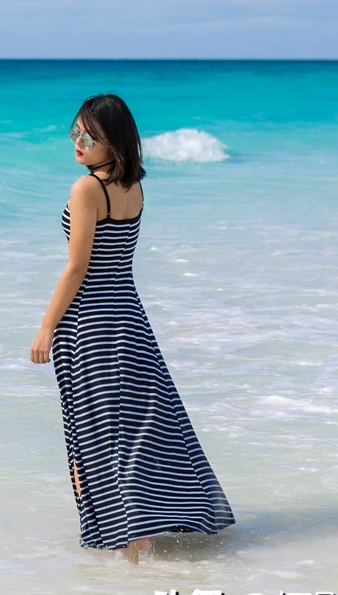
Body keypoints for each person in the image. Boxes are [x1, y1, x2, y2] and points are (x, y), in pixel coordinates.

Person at [29, 93, 235, 563]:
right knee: (143, 424)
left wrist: (46, 326)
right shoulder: (133, 187)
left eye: (90, 136)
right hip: (129, 316)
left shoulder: (87, 189)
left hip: (89, 321)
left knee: (95, 429)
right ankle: (148, 529)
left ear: (114, 142)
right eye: (75, 132)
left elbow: (78, 267)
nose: (78, 142)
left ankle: (127, 540)